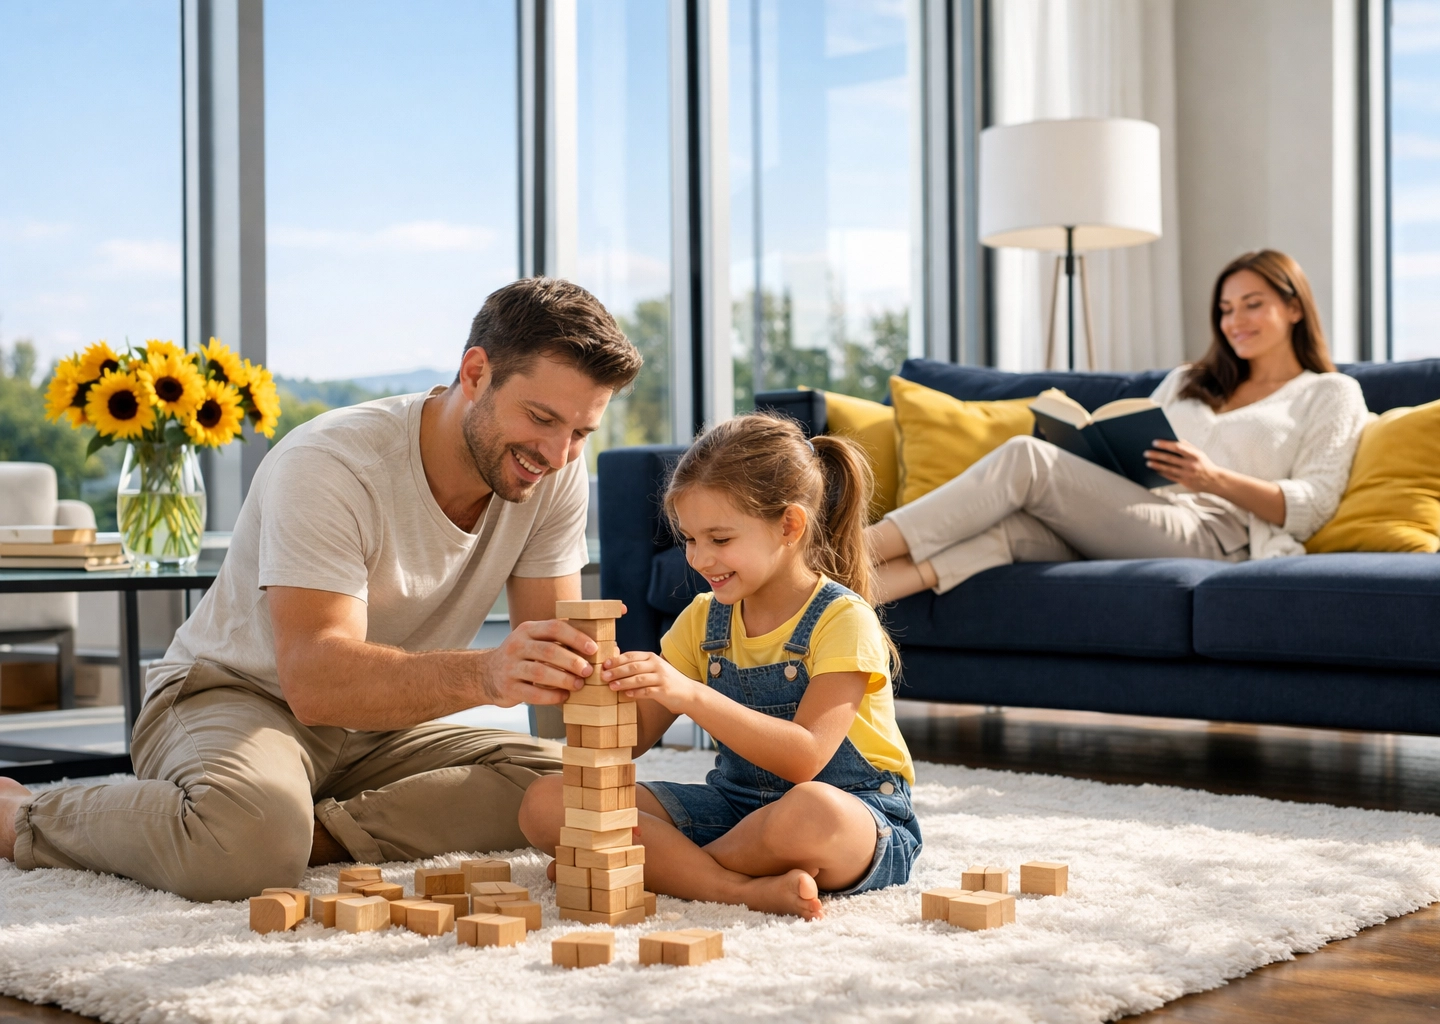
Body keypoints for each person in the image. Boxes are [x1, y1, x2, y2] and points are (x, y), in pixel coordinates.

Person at [0, 277, 643, 901]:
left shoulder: (551, 471)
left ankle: (299, 830)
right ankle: (28, 813)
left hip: (384, 727)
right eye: (541, 418)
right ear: (474, 373)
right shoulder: (334, 463)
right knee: (245, 847)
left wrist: (658, 696)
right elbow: (314, 679)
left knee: (582, 790)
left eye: (580, 433)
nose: (558, 454)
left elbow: (562, 687)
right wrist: (489, 675)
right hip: (240, 695)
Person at [518, 414, 919, 920]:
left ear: (789, 525)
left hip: (856, 813)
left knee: (812, 811)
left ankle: (678, 872)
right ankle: (735, 887)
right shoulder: (703, 620)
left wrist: (687, 693)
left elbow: (805, 759)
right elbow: (633, 741)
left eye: (720, 539)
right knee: (548, 800)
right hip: (732, 808)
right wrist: (598, 682)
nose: (700, 558)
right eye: (688, 539)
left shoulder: (843, 619)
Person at [870, 249, 1371, 602]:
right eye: (1225, 309)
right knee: (1007, 530)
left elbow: (1314, 505)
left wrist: (1211, 478)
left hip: (1219, 536)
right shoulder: (1186, 381)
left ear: (1294, 307)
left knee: (1026, 457)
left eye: (1252, 304)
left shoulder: (1329, 392)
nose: (1235, 320)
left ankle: (849, 548)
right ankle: (842, 597)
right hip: (1139, 513)